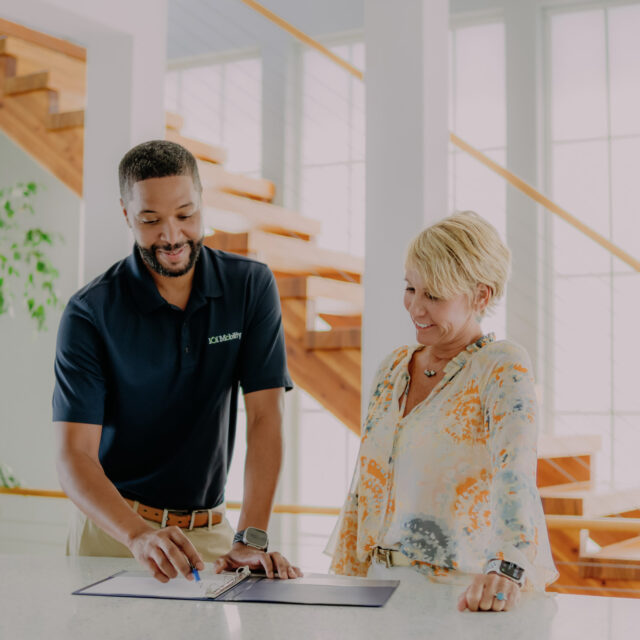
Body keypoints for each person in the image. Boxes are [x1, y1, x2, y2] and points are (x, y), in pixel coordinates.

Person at [53, 140, 301, 583]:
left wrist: (252, 537)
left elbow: (265, 417)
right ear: (127, 215)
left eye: (186, 215)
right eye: (151, 220)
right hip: (114, 534)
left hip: (210, 537)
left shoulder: (250, 287)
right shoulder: (90, 312)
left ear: (203, 203)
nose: (171, 236)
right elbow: (74, 455)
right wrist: (137, 536)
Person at [328, 211, 558, 611]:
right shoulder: (392, 368)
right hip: (376, 589)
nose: (416, 308)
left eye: (433, 295)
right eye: (410, 288)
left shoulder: (501, 366)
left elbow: (515, 474)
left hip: (460, 596)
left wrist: (507, 564)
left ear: (481, 296)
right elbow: (364, 487)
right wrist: (346, 580)